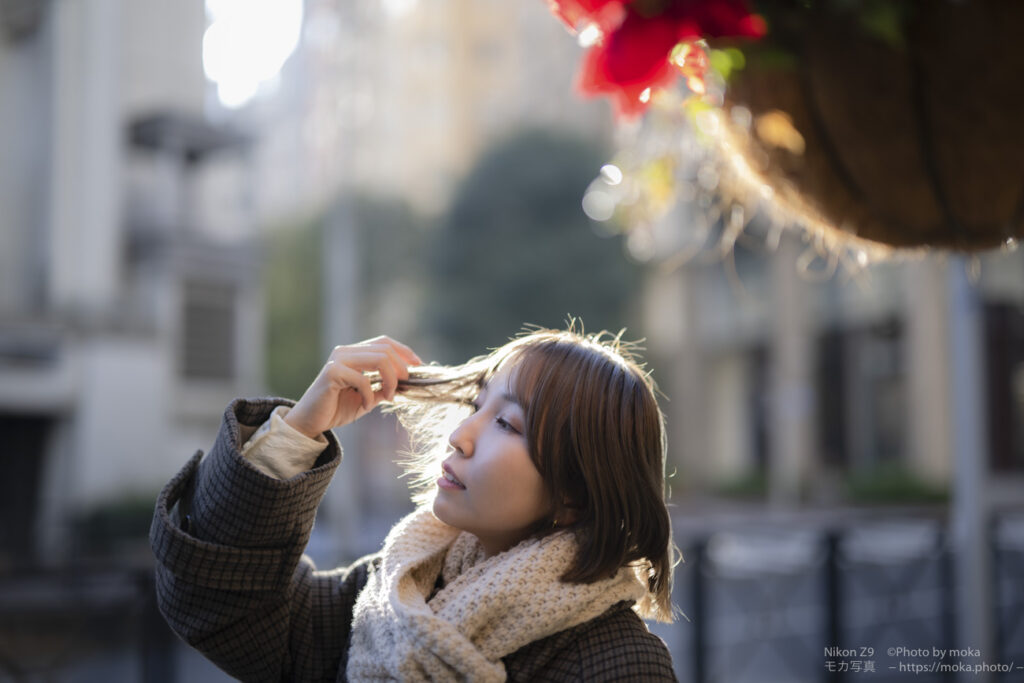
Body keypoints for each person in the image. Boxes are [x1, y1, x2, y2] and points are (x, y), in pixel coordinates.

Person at [150, 327, 679, 682]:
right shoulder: (398, 596)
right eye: (475, 404)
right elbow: (224, 607)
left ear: (575, 495)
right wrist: (297, 431)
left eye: (506, 423)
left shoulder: (618, 666)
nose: (461, 435)